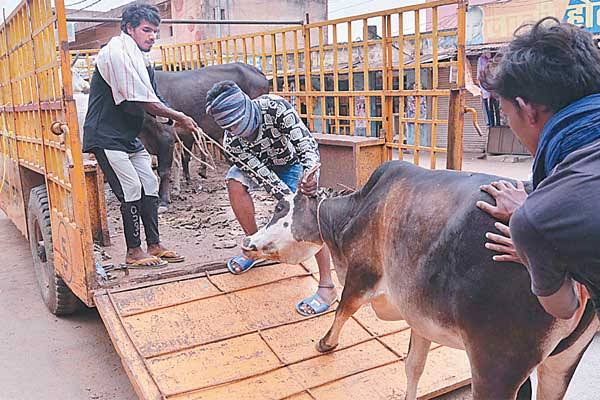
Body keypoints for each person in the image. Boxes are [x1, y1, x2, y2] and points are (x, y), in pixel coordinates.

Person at [476, 17, 600, 320]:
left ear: (527, 110)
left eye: (507, 116)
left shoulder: (538, 221)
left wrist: (529, 237)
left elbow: (566, 308)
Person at [205, 81, 337, 316]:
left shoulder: (275, 107)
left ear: (246, 107)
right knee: (235, 183)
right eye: (228, 127)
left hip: (294, 163)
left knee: (308, 214)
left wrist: (310, 174)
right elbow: (264, 178)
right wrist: (288, 202)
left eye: (236, 123)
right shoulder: (232, 142)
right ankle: (254, 245)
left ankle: (327, 286)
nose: (234, 130)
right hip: (264, 169)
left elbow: (305, 145)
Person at [83, 4, 198, 268]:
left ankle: (154, 245)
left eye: (155, 32)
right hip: (106, 135)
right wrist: (180, 117)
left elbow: (154, 97)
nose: (152, 36)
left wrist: (170, 117)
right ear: (129, 28)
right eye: (146, 30)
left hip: (127, 134)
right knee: (131, 188)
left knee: (148, 183)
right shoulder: (116, 52)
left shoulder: (141, 57)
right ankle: (133, 251)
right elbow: (141, 98)